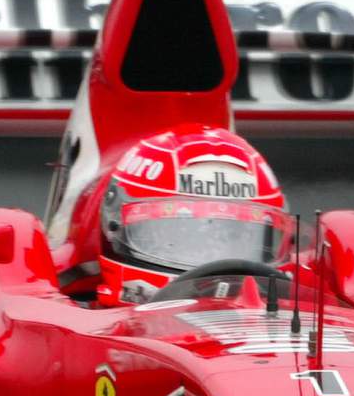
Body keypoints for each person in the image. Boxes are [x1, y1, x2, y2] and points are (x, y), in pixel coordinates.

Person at [45, 125, 296, 305]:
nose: (208, 257)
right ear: (113, 228)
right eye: (184, 234)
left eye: (233, 237)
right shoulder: (69, 316)